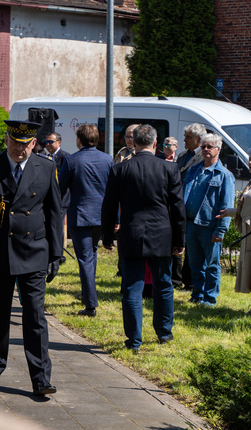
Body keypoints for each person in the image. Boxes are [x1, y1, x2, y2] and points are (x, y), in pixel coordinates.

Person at [0, 120, 63, 396]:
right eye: (14, 142)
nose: (19, 149)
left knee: (35, 316)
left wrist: (55, 253)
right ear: (5, 140)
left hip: (33, 250)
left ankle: (40, 377)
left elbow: (54, 213)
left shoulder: (46, 167)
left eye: (25, 144)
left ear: (34, 144)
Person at [101, 124, 185, 353]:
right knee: (164, 285)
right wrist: (180, 240)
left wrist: (107, 236)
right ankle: (164, 333)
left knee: (132, 287)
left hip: (132, 233)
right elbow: (177, 207)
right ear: (156, 143)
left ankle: (134, 340)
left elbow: (109, 207)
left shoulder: (120, 169)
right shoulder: (169, 169)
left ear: (134, 143)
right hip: (161, 234)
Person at [58, 124, 113, 316]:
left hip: (80, 215)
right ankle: (86, 292)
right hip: (101, 216)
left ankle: (90, 303)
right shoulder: (107, 159)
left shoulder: (71, 160)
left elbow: (60, 187)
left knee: (85, 259)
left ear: (79, 140)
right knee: (92, 254)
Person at [182, 133, 233, 306]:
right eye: (203, 146)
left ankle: (210, 299)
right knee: (195, 264)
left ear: (218, 149)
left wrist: (221, 230)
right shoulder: (193, 170)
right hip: (191, 224)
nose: (205, 150)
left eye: (209, 146)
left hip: (210, 227)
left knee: (212, 265)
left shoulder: (224, 175)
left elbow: (227, 207)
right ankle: (197, 295)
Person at [172, 123, 206, 290]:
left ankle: (190, 282)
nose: (184, 140)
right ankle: (176, 279)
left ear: (199, 139)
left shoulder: (204, 157)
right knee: (177, 241)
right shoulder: (183, 155)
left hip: (192, 207)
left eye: (188, 137)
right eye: (185, 137)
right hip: (179, 203)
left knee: (191, 247)